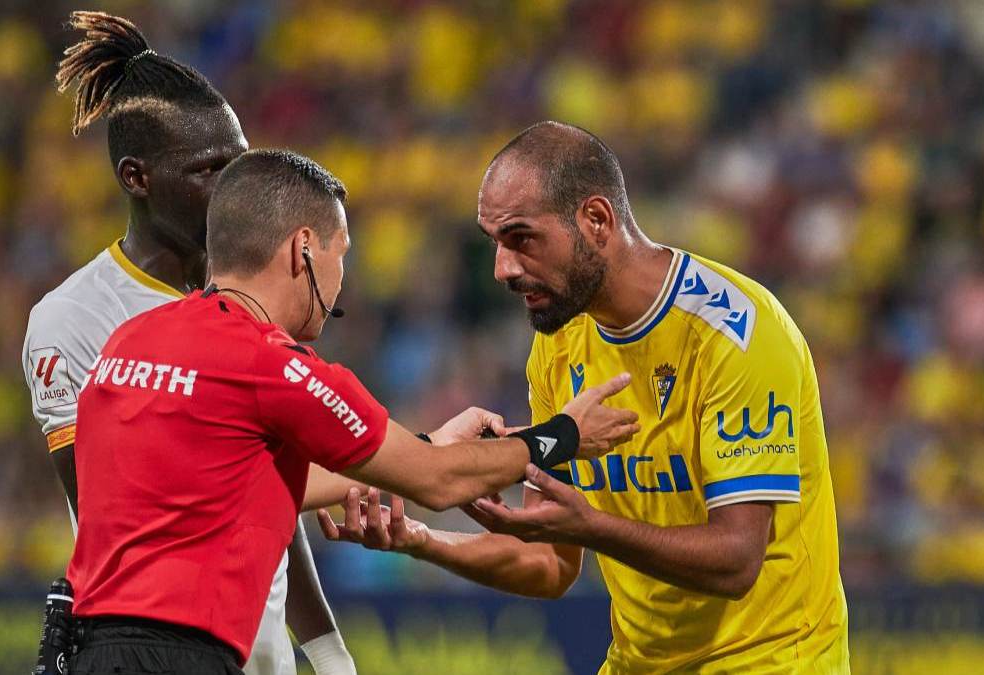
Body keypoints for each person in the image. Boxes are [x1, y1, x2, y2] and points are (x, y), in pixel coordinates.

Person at [63, 147, 639, 675]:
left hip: (86, 648)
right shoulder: (272, 364)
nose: (339, 286)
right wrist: (561, 437)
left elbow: (240, 481)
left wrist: (427, 443)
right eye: (341, 257)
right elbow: (436, 486)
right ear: (304, 249)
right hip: (182, 657)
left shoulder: (131, 341)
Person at [318, 122, 850, 674]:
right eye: (494, 243)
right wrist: (420, 540)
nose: (503, 269)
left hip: (771, 661)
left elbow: (737, 561)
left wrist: (589, 526)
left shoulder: (736, 334)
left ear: (596, 220)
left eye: (521, 238)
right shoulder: (561, 342)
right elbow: (551, 561)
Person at [20, 12, 358, 674]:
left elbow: (271, 484)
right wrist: (368, 468)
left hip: (258, 658)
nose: (234, 188)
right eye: (210, 169)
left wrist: (328, 651)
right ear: (136, 177)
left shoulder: (253, 300)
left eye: (240, 164)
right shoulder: (74, 318)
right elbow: (138, 501)